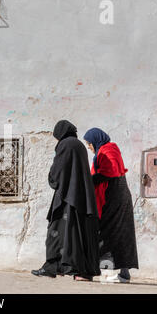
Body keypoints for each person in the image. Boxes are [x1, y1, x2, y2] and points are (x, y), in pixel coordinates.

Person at [31, 120, 101, 281]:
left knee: (55, 233)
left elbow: (57, 172)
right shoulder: (78, 145)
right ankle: (80, 272)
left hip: (67, 197)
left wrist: (52, 179)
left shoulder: (65, 145)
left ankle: (52, 268)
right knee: (76, 235)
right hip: (80, 197)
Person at [83, 128, 139, 283]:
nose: (89, 147)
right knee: (120, 234)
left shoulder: (108, 150)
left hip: (114, 198)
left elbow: (111, 171)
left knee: (103, 232)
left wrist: (88, 181)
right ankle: (124, 274)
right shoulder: (108, 150)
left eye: (89, 143)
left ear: (95, 140)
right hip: (117, 196)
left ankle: (90, 271)